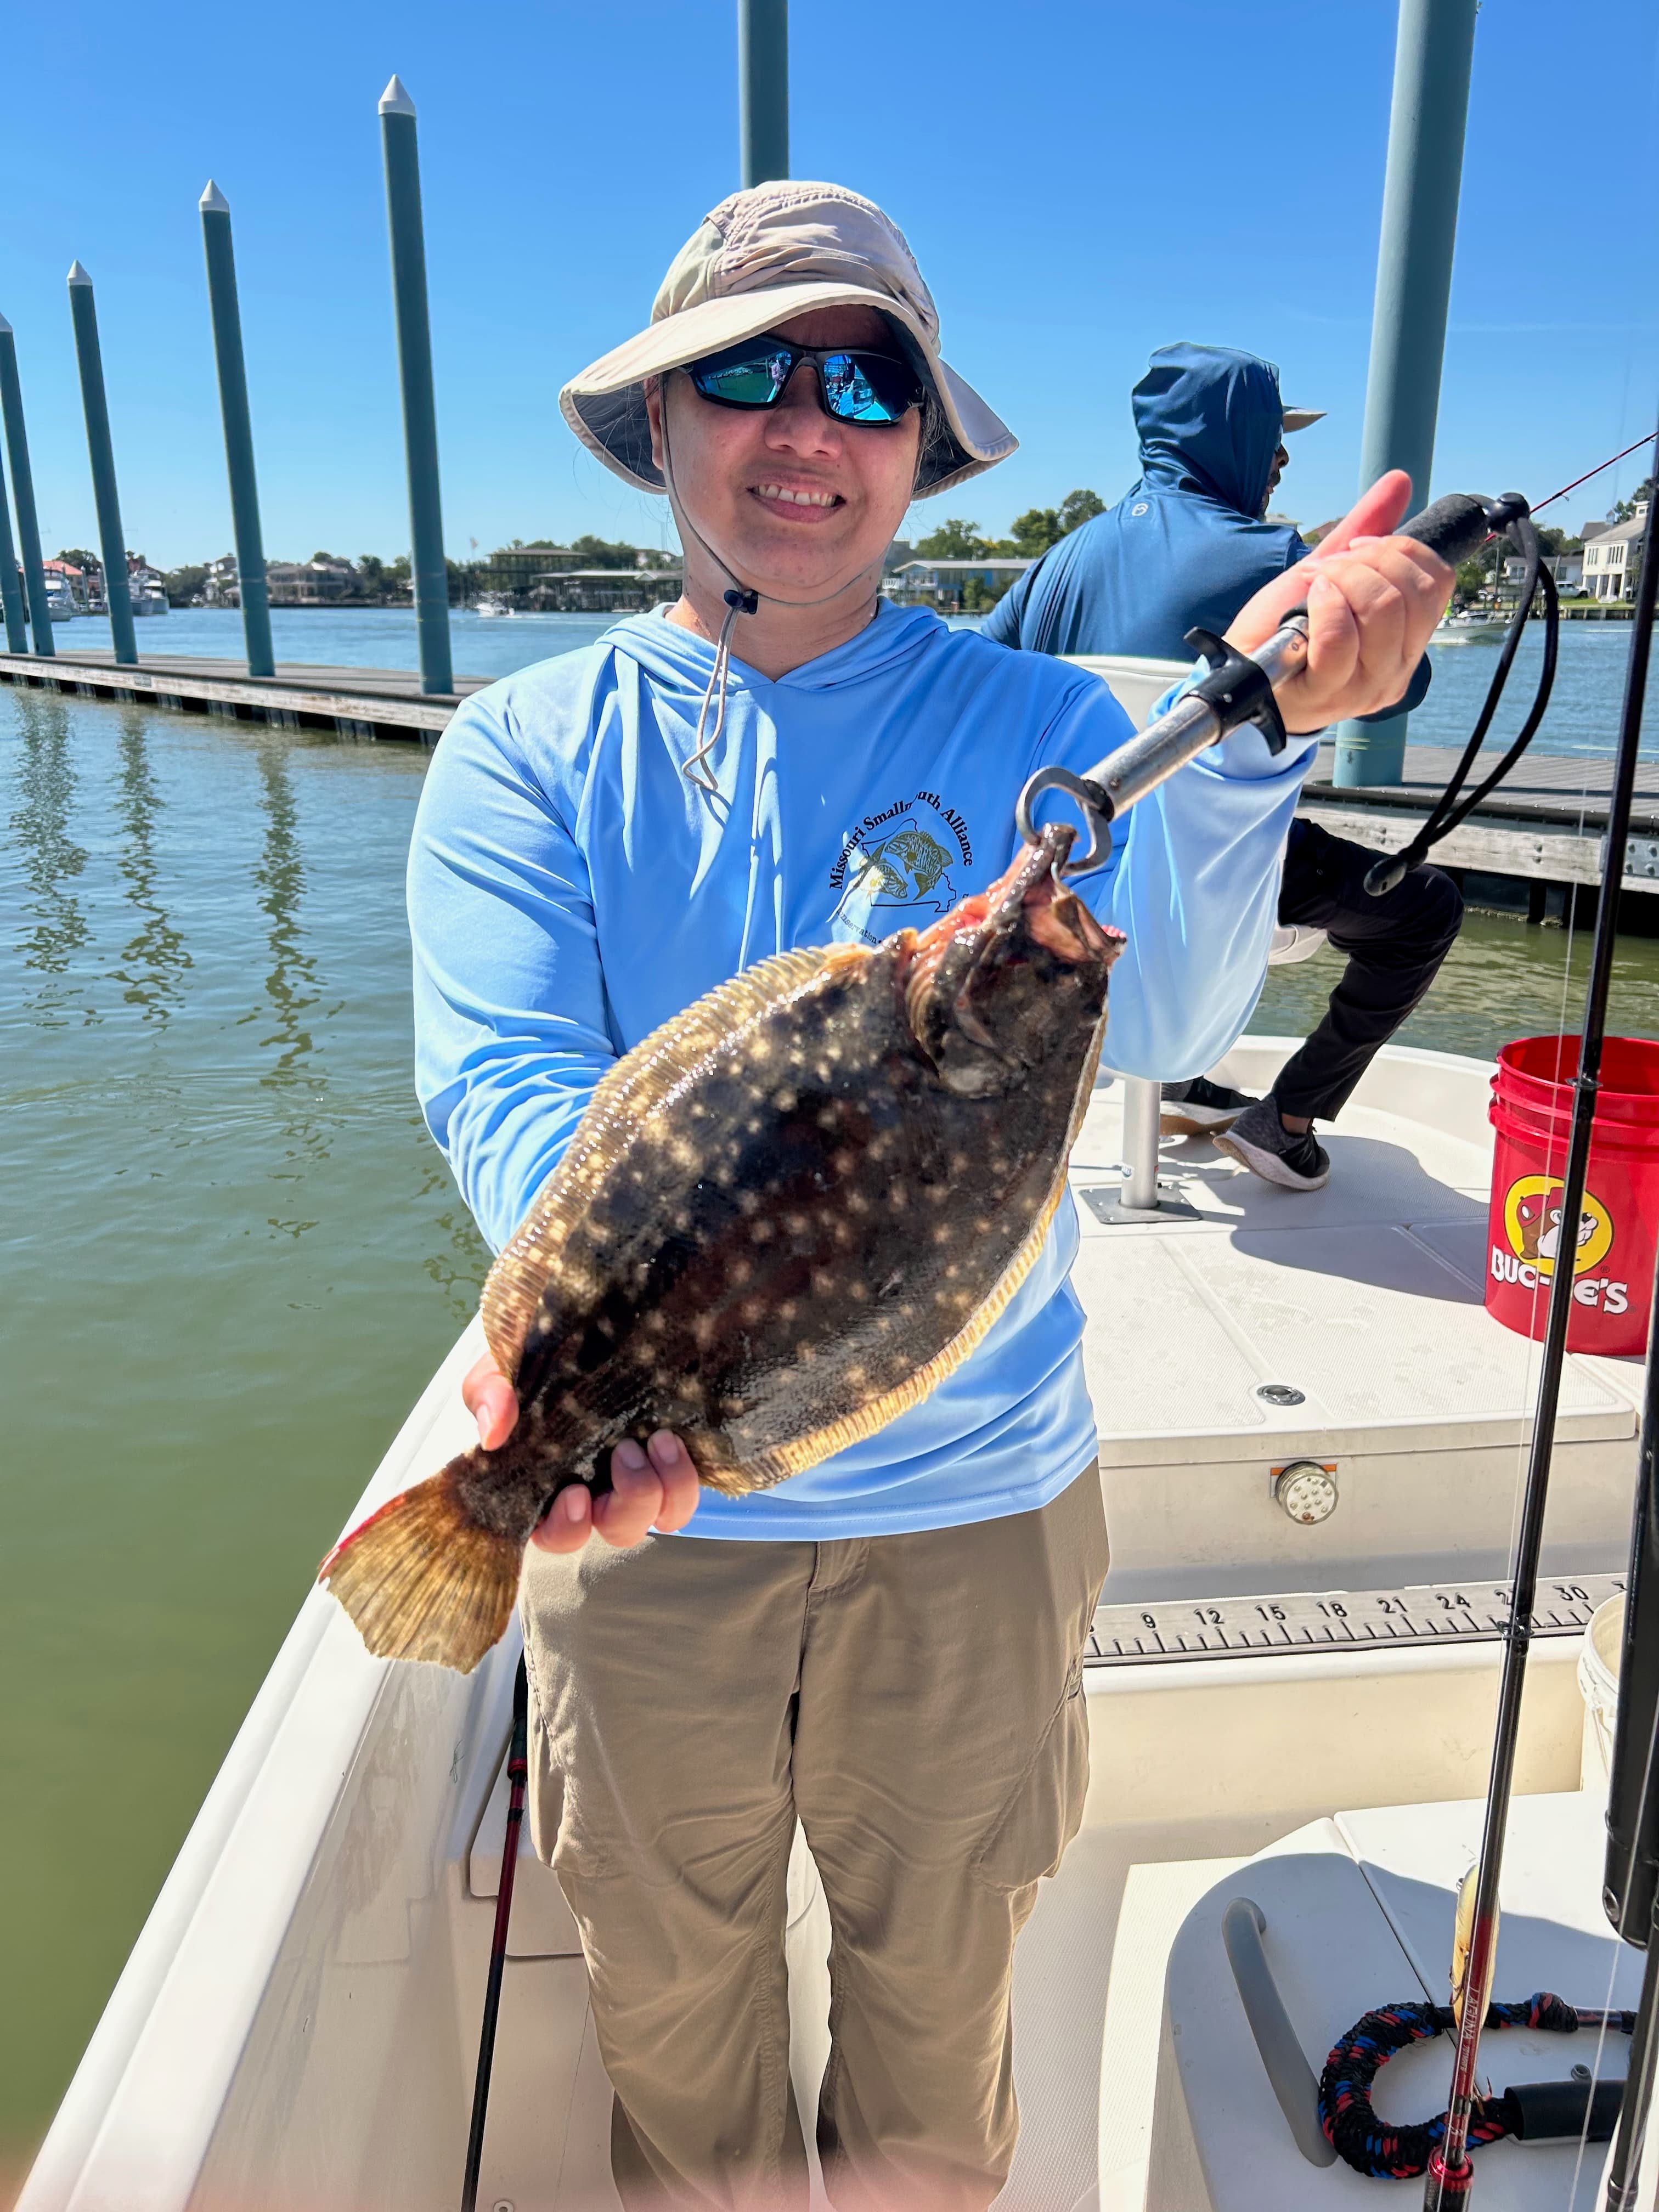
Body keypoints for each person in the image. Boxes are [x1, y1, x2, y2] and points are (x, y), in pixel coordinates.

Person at [408, 192, 1452, 2209]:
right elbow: (510, 1093)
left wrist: (1262, 735)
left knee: (933, 2031)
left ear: (917, 439)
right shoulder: (523, 750)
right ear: (661, 421)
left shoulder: (1060, 733)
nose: (809, 421)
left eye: (866, 380)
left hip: (980, 1520)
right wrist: (595, 1346)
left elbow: (1170, 1013)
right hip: (655, 1539)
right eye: (752, 371)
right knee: (675, 2025)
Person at [984, 342, 1464, 1193]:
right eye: (1273, 438)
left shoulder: (1058, 561)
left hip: (1070, 872)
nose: (1281, 460)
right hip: (1197, 879)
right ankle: (1285, 1121)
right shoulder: (1279, 560)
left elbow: (980, 678)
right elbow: (1400, 685)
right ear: (1236, 442)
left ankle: (1175, 1075)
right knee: (1424, 912)